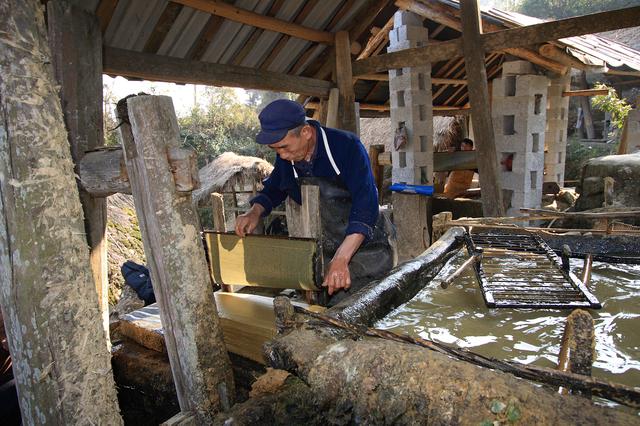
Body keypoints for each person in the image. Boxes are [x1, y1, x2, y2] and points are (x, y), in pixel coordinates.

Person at [235, 99, 379, 296]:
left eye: (284, 147)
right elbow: (276, 186)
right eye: (275, 150)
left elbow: (366, 205)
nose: (282, 155)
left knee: (359, 300)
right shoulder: (288, 156)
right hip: (319, 245)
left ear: (306, 132)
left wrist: (342, 258)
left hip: (360, 245)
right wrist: (254, 212)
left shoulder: (347, 147)